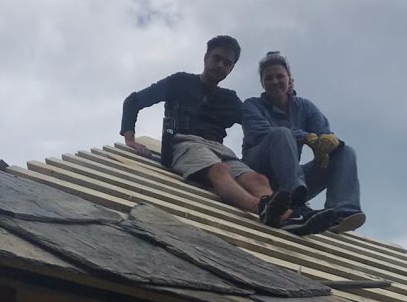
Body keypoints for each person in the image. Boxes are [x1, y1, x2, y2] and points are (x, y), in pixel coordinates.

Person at [120, 36, 294, 227]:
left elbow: (259, 123)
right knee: (219, 170)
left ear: (231, 68)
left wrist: (284, 96)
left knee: (258, 179)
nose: (220, 65)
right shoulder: (180, 82)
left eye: (227, 63)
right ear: (206, 57)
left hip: (220, 150)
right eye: (217, 58)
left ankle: (287, 216)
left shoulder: (229, 98)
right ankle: (261, 208)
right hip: (183, 142)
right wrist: (130, 139)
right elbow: (134, 101)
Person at [242, 51, 366, 234]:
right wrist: (305, 137)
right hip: (258, 172)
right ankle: (297, 204)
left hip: (291, 175)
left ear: (289, 79)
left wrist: (328, 143)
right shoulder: (252, 105)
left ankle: (341, 213)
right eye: (269, 78)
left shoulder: (304, 107)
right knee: (281, 134)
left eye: (279, 76)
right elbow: (260, 132)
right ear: (262, 83)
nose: (275, 81)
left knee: (345, 152)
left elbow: (324, 133)